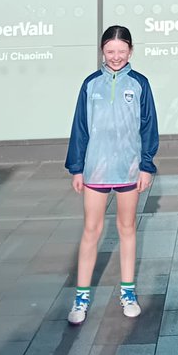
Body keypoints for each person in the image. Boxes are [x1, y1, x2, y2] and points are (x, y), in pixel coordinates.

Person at [65, 25, 159, 324]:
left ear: (130, 51)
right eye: (110, 51)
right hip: (95, 169)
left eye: (121, 51)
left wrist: (146, 165)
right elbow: (80, 128)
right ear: (102, 52)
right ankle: (81, 298)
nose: (116, 57)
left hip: (129, 169)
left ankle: (128, 293)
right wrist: (77, 168)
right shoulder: (90, 84)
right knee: (91, 231)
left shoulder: (140, 83)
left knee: (127, 229)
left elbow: (149, 128)